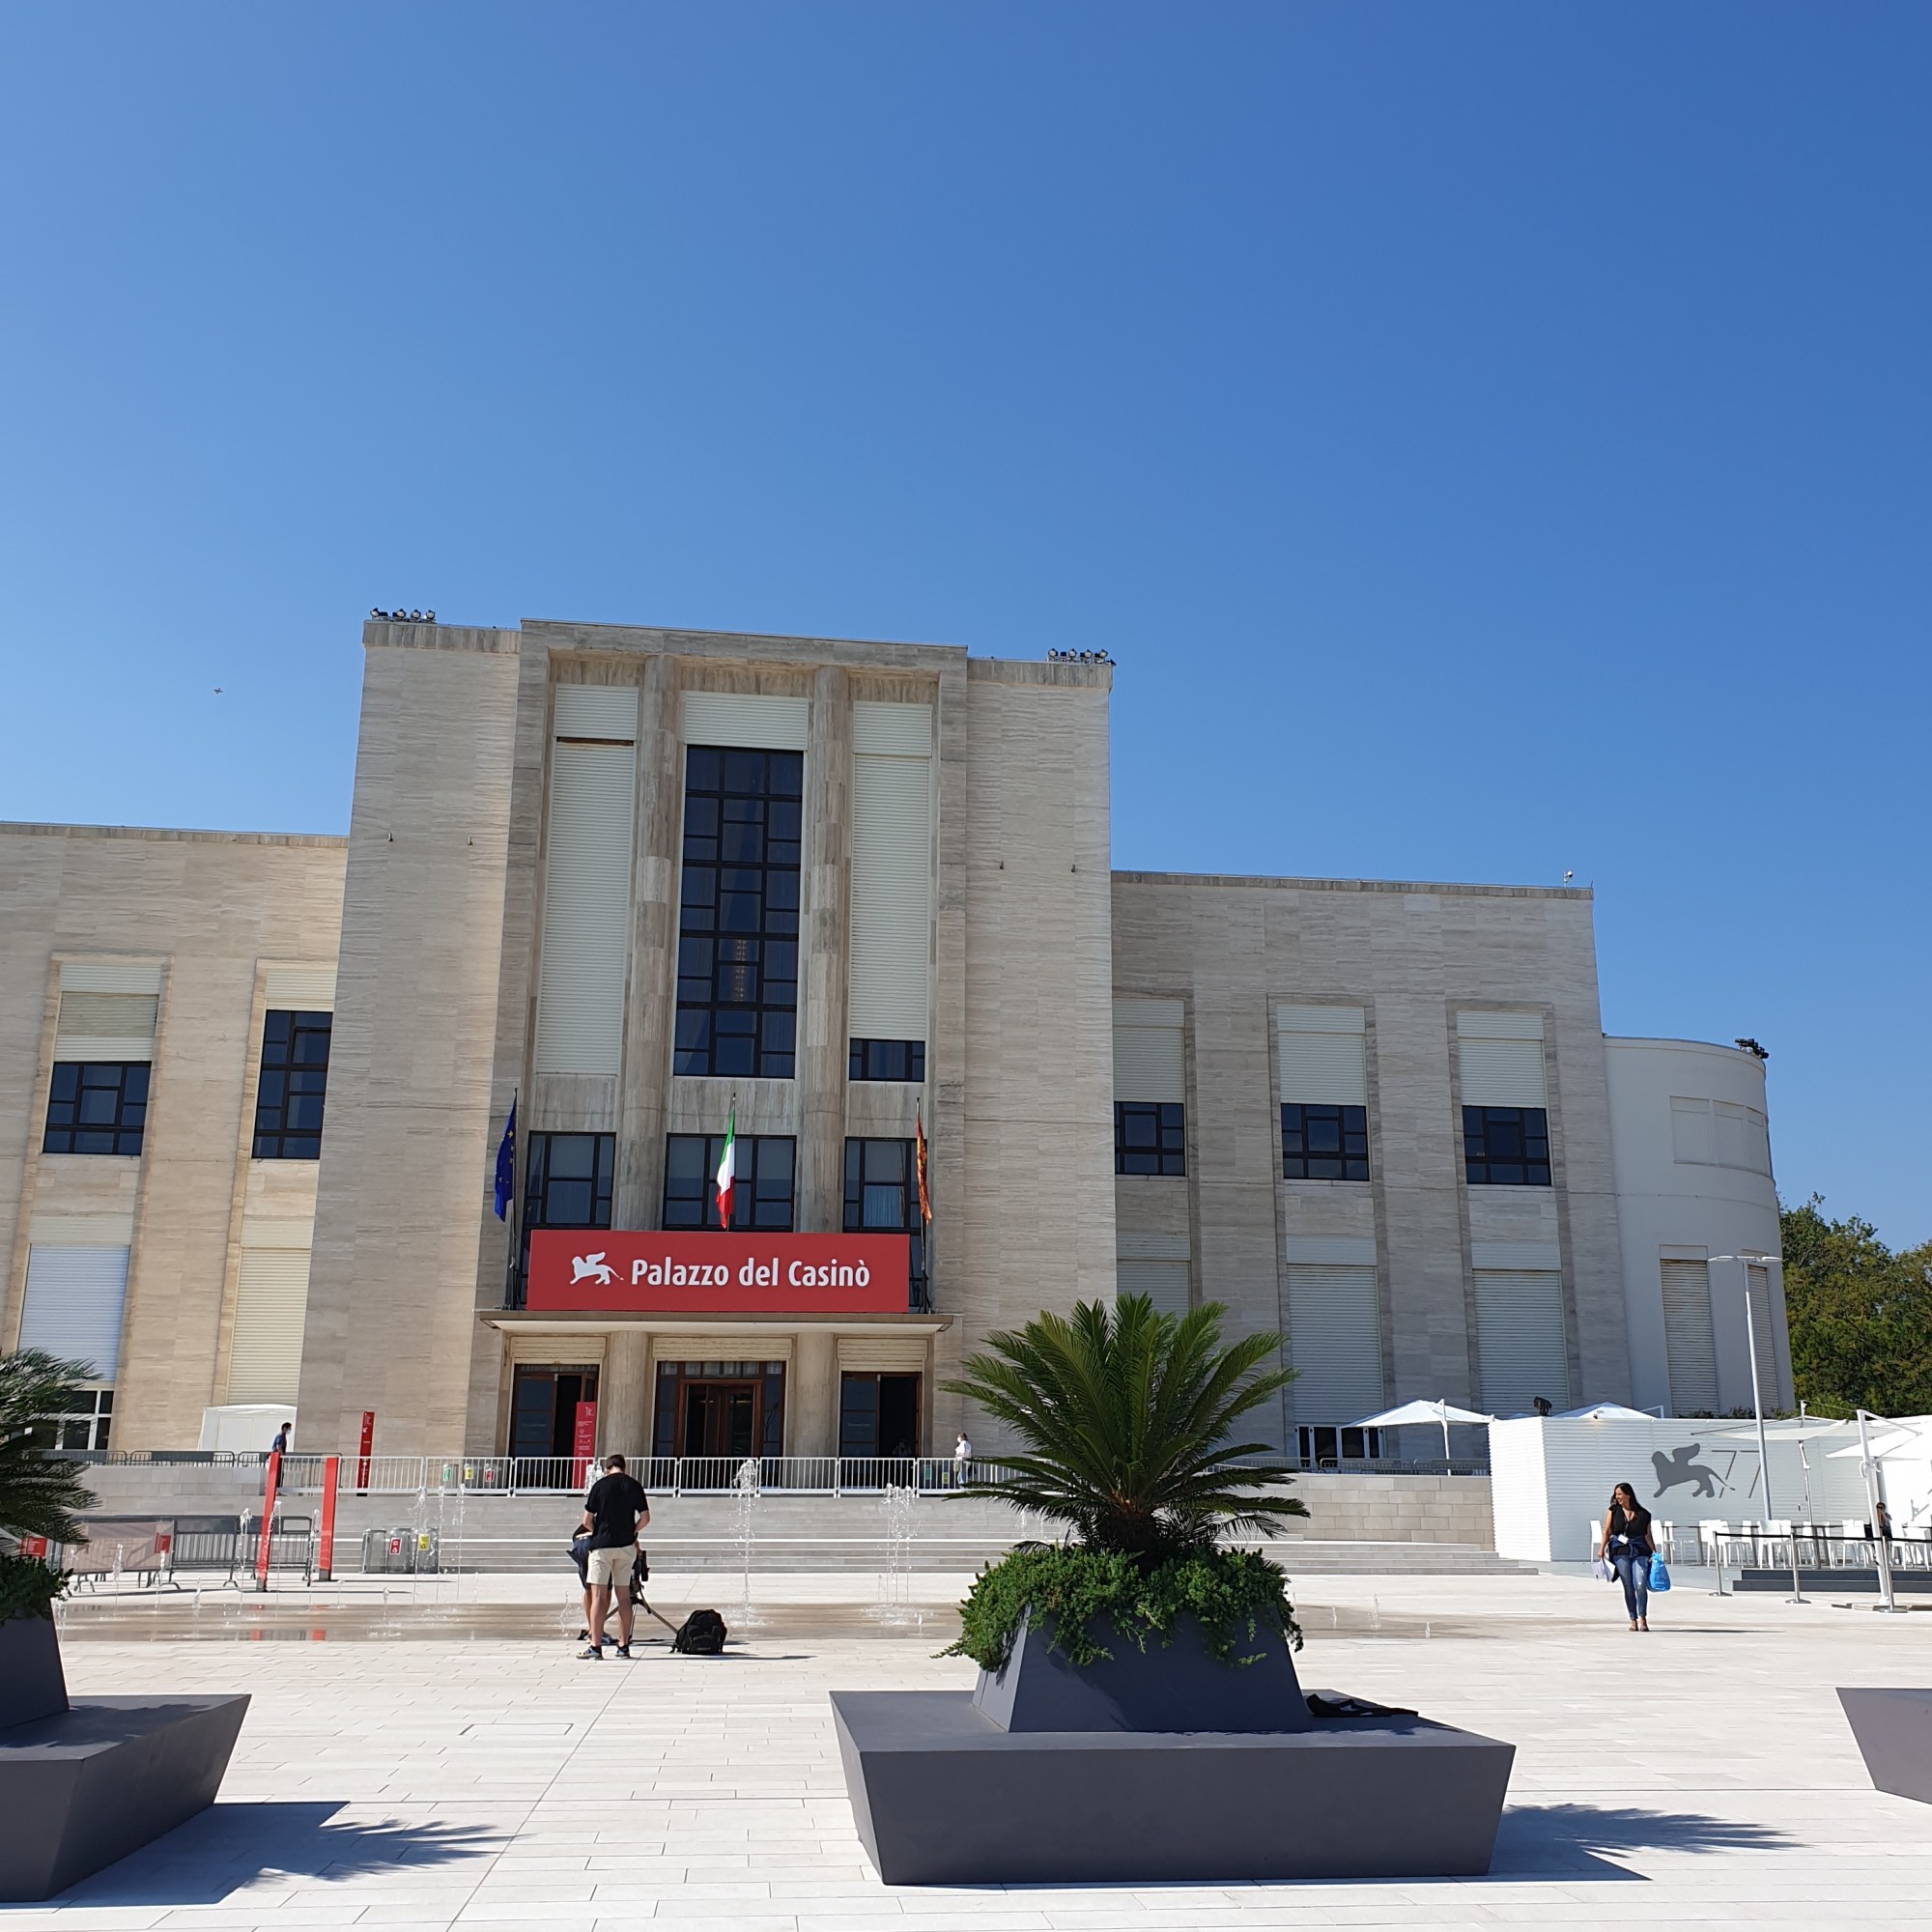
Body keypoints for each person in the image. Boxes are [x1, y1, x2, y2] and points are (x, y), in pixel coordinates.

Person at [578, 1454, 649, 1660]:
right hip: (626, 1546)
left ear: (607, 1469)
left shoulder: (600, 1486)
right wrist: (633, 1532)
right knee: (624, 1597)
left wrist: (597, 1530)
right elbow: (646, 1518)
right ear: (624, 1468)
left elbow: (587, 1519)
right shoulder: (634, 1485)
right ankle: (623, 1646)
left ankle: (595, 1646)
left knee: (599, 1596)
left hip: (602, 1546)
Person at [1599, 1481, 1656, 1632]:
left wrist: (1654, 1552)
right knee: (1628, 1586)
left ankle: (1643, 1617)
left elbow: (1647, 1534)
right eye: (1616, 1494)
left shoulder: (1643, 1514)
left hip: (1640, 1550)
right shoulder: (1613, 1511)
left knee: (1640, 1584)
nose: (1617, 1497)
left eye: (1620, 1494)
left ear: (1628, 1495)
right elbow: (1607, 1531)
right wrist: (1601, 1549)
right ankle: (1633, 1619)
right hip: (1620, 1551)